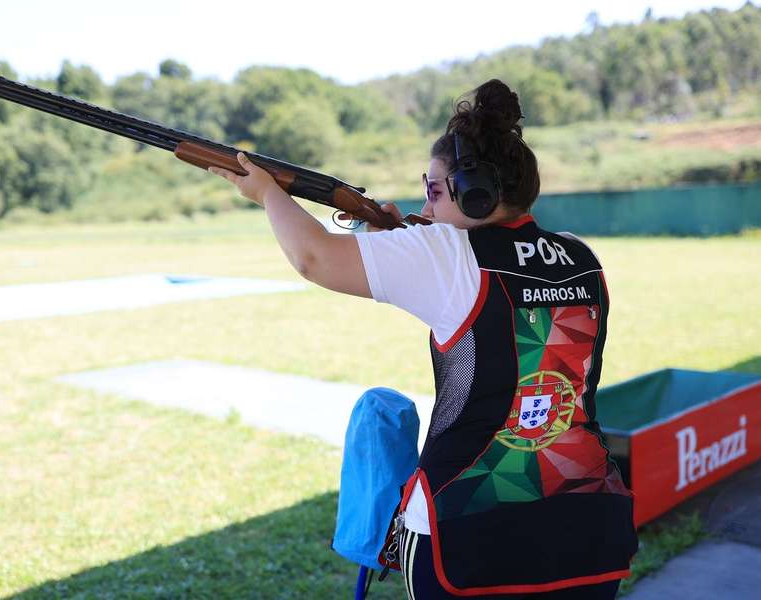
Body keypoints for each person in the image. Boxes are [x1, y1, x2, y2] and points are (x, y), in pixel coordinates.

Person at [210, 79, 637, 599]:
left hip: (467, 534)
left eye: (434, 191)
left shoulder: (447, 254)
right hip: (584, 524)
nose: (427, 208)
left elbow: (313, 257)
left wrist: (266, 193)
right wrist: (406, 240)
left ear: (476, 195)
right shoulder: (580, 254)